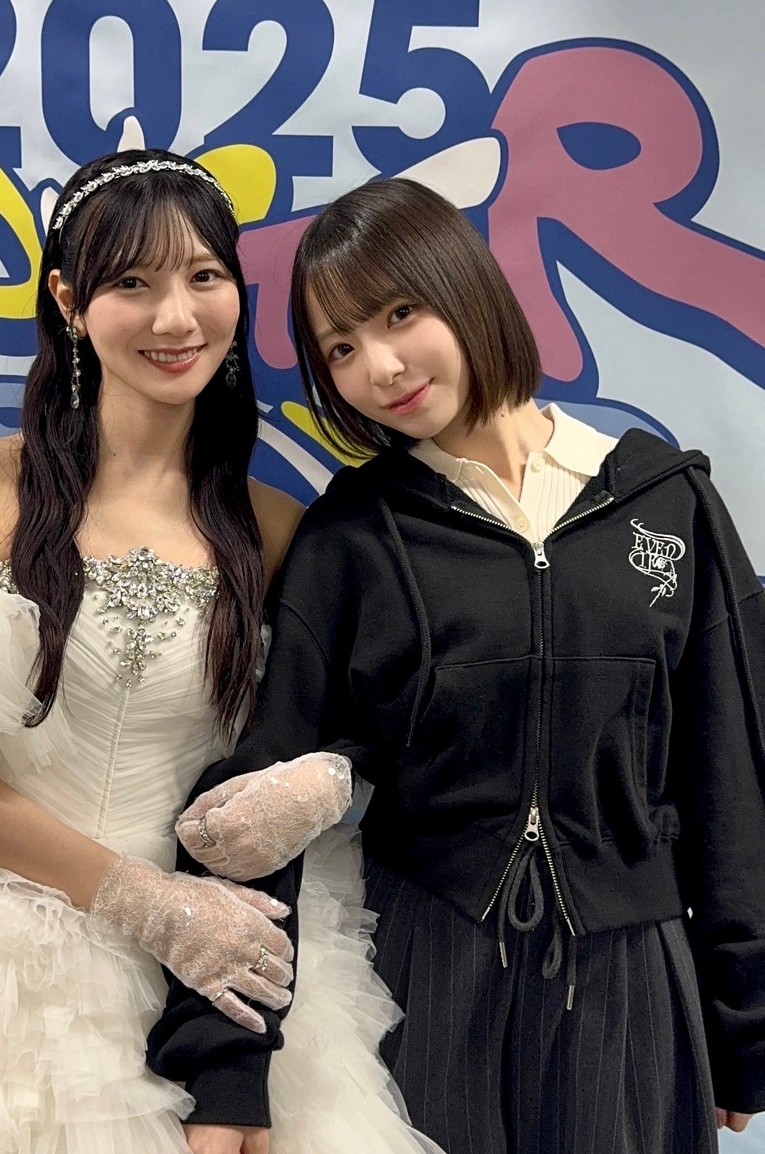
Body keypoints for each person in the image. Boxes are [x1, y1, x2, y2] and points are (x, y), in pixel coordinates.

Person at [0, 153, 437, 1154]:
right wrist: (143, 901)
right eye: (132, 282)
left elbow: (305, 756)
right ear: (69, 299)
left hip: (204, 979)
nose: (175, 317)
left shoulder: (279, 530)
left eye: (203, 276)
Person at [150, 178, 765, 1152]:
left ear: (466, 287)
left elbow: (731, 769)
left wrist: (746, 1020)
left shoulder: (667, 498)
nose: (380, 367)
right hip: (427, 967)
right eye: (341, 348)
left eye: (401, 314)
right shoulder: (353, 534)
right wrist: (227, 1069)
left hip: (633, 976)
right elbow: (255, 802)